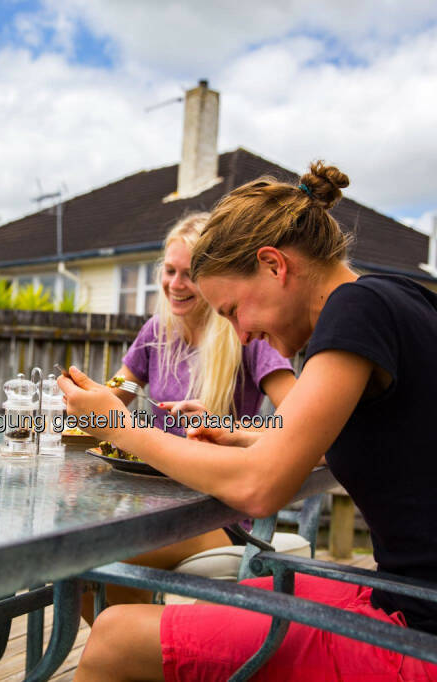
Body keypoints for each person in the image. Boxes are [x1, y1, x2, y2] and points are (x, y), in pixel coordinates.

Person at [60, 162, 437, 681]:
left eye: (234, 309)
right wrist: (245, 433)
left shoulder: (357, 310)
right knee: (222, 604)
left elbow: (260, 490)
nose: (240, 335)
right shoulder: (400, 299)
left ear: (273, 265)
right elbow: (373, 442)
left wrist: (116, 425)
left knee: (114, 639)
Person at [85, 212, 295, 618]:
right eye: (169, 271)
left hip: (220, 517)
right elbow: (119, 393)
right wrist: (81, 401)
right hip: (153, 506)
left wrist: (227, 428)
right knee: (77, 565)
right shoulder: (156, 332)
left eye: (189, 275)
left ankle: (146, 653)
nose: (175, 285)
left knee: (83, 558)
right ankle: (143, 652)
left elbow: (300, 422)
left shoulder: (247, 333)